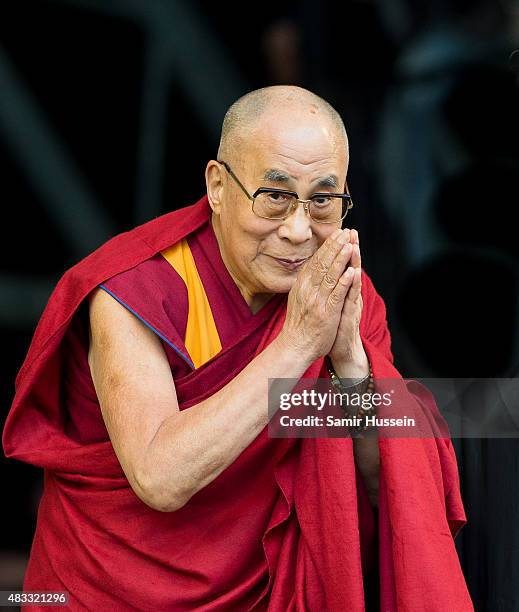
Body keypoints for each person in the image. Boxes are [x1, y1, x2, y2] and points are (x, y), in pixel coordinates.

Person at [2, 86, 473, 611]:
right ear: (218, 185)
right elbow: (160, 477)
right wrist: (297, 345)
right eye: (274, 197)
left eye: (322, 200)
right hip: (109, 593)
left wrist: (350, 364)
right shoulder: (136, 291)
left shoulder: (341, 298)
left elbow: (378, 487)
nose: (298, 231)